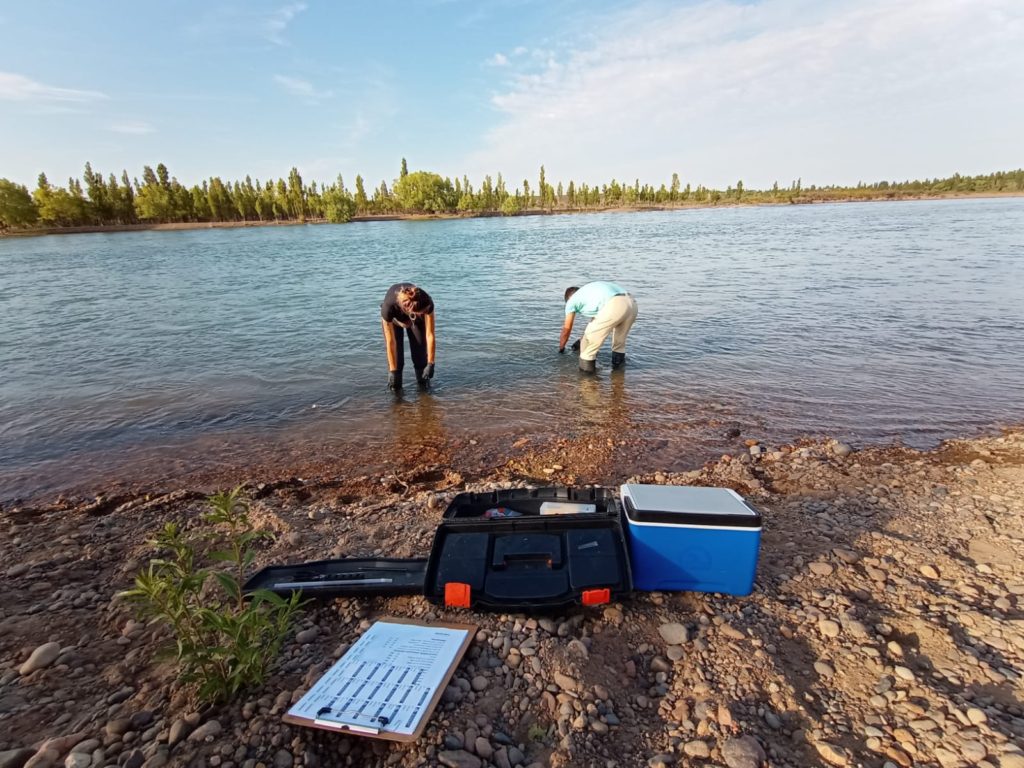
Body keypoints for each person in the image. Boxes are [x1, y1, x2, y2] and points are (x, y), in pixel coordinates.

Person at [558, 281, 638, 373]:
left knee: (587, 349)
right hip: (632, 303)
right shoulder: (589, 294)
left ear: (569, 298)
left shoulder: (571, 301)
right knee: (619, 345)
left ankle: (587, 382)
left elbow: (567, 329)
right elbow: (597, 322)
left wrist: (561, 348)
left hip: (614, 304)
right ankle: (618, 378)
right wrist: (582, 338)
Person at [381, 283, 436, 390]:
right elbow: (390, 342)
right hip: (395, 321)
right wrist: (392, 371)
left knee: (420, 359)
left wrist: (431, 363)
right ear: (412, 311)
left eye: (425, 312)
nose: (426, 313)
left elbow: (430, 335)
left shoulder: (426, 302)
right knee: (397, 364)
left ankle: (424, 396)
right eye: (423, 312)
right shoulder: (389, 307)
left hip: (416, 320)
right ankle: (396, 399)